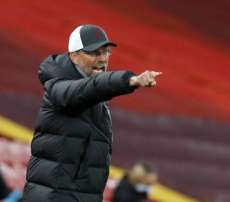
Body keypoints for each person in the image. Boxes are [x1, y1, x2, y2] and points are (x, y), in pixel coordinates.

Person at [22, 24, 162, 202]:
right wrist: (131, 80)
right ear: (74, 56)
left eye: (106, 52)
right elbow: (88, 89)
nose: (103, 59)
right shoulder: (58, 88)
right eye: (95, 53)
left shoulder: (93, 95)